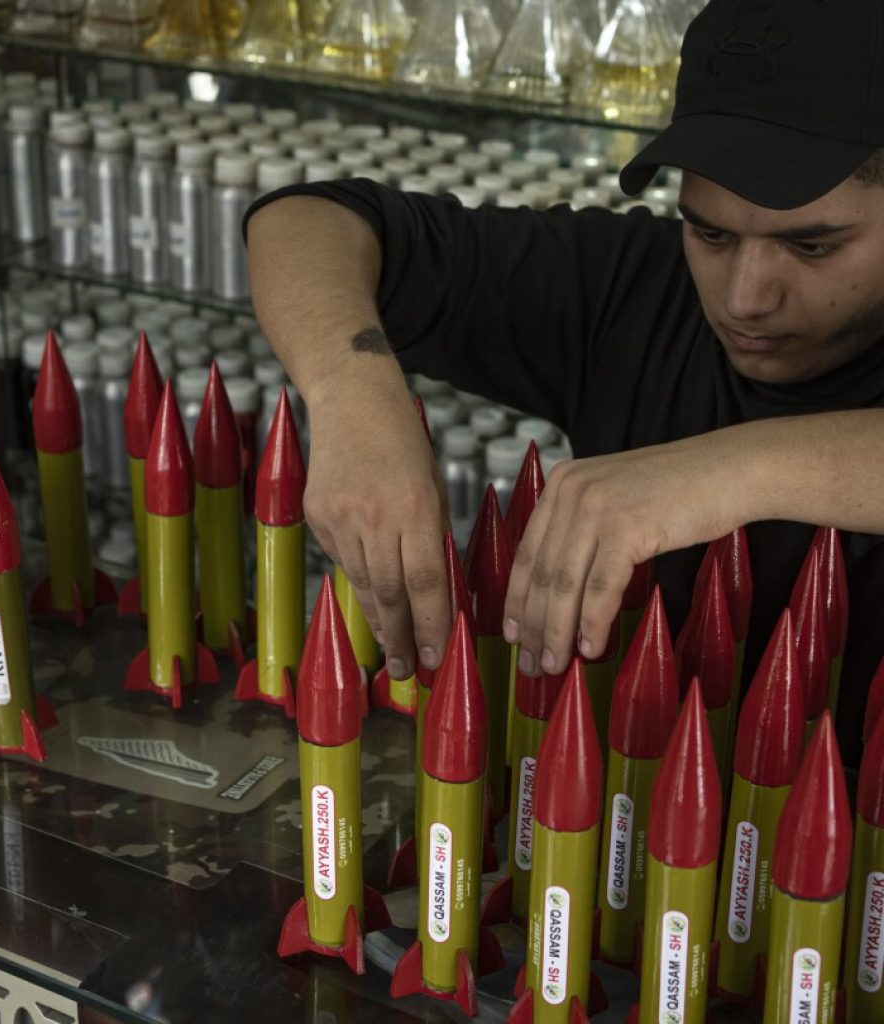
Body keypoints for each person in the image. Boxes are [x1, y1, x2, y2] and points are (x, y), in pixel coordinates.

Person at [244, 0, 884, 763]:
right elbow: (305, 220)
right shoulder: (625, 287)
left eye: (811, 246)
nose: (746, 296)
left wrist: (721, 473)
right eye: (709, 232)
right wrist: (357, 402)